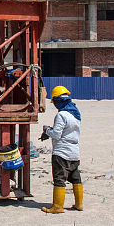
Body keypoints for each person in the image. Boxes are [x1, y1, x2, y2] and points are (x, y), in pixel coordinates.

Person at [41, 85, 82, 213]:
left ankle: (57, 207)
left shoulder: (62, 115)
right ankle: (79, 204)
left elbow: (57, 134)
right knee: (76, 178)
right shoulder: (76, 114)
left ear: (58, 101)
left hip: (61, 153)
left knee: (59, 179)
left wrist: (47, 130)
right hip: (74, 153)